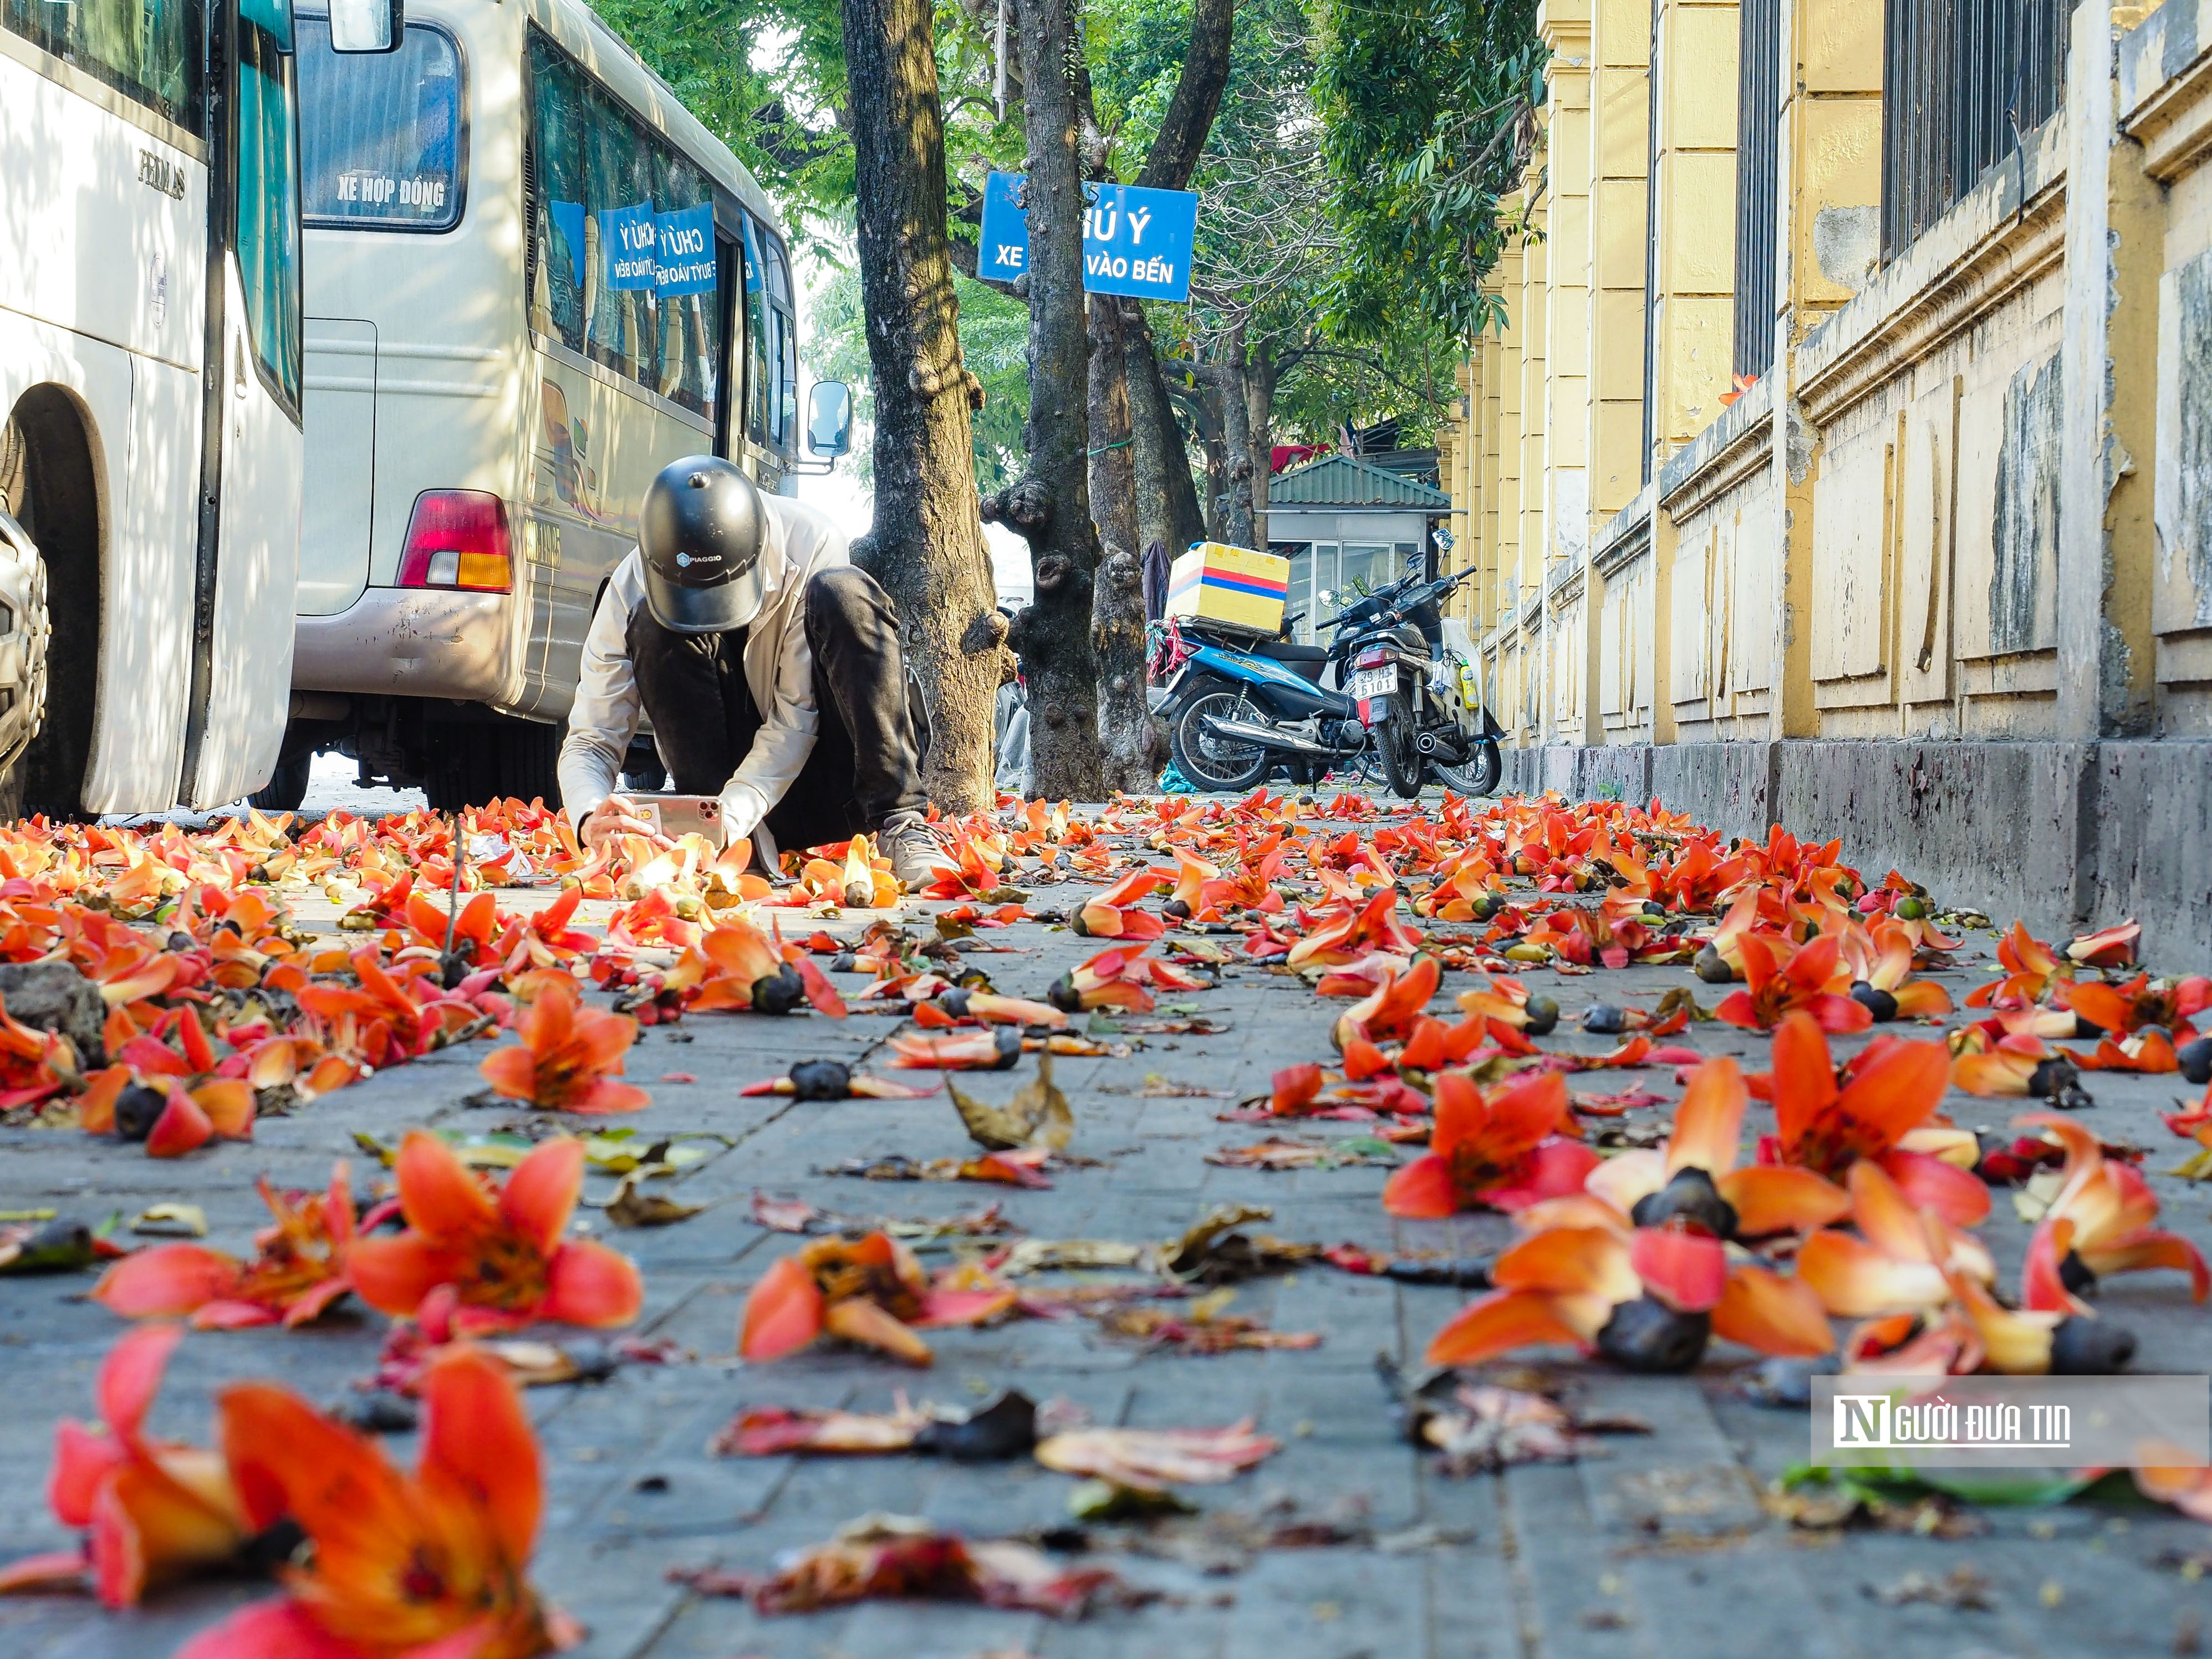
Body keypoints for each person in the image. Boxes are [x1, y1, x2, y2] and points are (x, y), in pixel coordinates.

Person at [558, 455, 942, 888]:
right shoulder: (632, 583)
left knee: (844, 592)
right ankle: (724, 847)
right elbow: (590, 739)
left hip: (837, 780)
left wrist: (730, 817)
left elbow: (796, 719)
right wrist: (589, 816)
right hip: (723, 799)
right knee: (650, 623)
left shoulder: (812, 541)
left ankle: (901, 822)